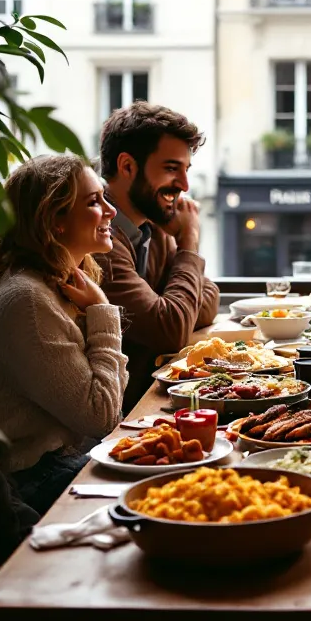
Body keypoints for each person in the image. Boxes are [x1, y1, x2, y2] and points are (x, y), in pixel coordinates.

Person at [0, 155, 128, 516]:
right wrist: (103, 313)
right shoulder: (28, 300)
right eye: (93, 201)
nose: (110, 210)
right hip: (27, 479)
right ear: (55, 223)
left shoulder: (55, 286)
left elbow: (108, 398)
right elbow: (101, 415)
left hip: (58, 461)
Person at [97, 103, 221, 410]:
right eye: (170, 168)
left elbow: (206, 305)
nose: (185, 185)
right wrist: (189, 243)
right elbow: (171, 330)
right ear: (127, 166)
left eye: (186, 170)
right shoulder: (99, 239)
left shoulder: (154, 227)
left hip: (144, 399)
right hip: (118, 413)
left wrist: (174, 304)